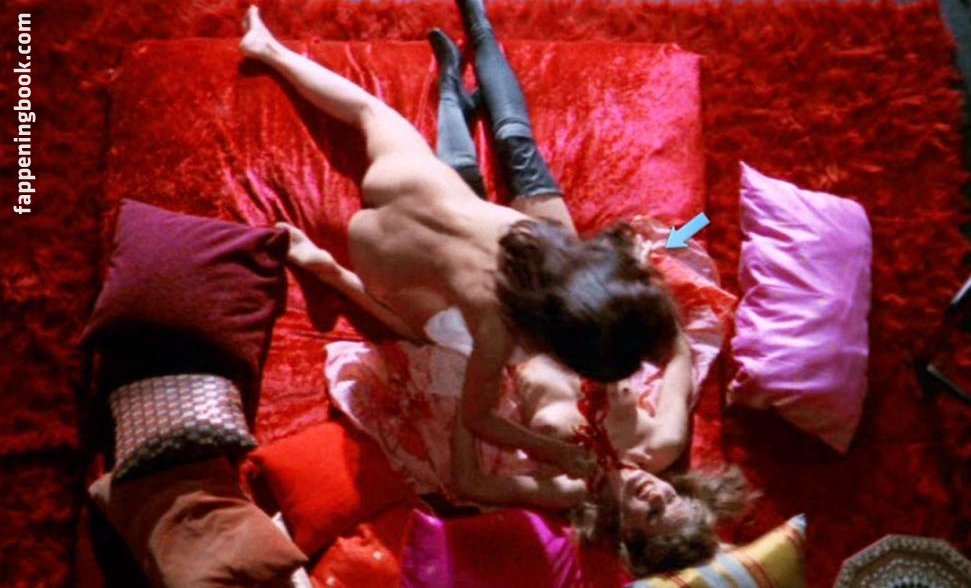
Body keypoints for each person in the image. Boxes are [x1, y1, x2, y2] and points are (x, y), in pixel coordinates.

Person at [239, 1, 683, 491]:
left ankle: (270, 50)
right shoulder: (500, 329)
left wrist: (666, 255)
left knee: (370, 111)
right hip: (375, 253)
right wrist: (554, 451)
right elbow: (477, 419)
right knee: (438, 332)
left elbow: (623, 246)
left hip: (408, 186)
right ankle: (332, 267)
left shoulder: (540, 241)